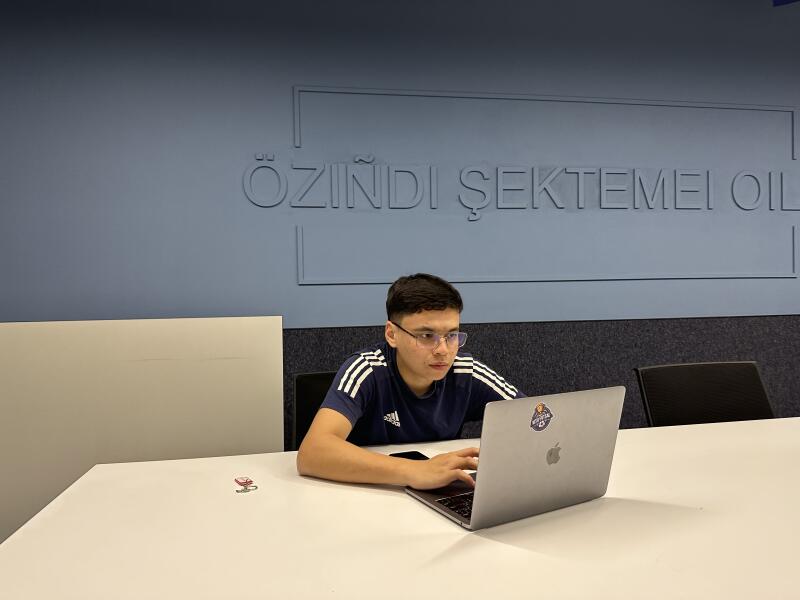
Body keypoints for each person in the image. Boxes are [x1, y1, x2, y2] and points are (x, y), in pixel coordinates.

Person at [296, 273, 524, 490]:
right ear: (392, 334)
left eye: (452, 335)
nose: (443, 350)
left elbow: (536, 417)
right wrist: (416, 471)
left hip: (439, 494)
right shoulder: (367, 369)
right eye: (426, 336)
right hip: (366, 497)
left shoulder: (466, 370)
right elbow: (312, 452)